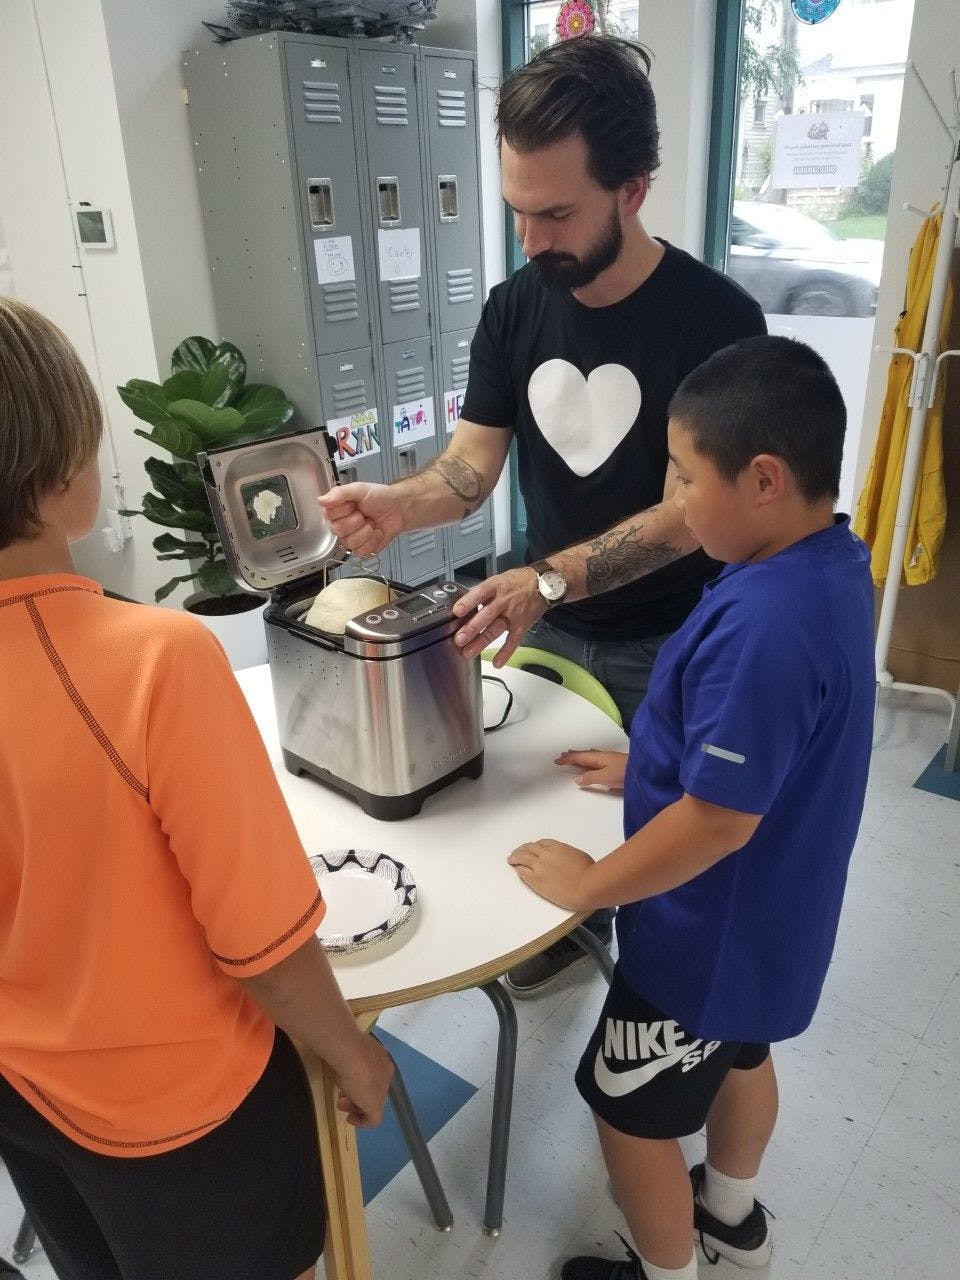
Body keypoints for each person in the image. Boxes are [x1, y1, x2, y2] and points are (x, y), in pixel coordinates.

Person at [318, 35, 766, 997]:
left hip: (673, 641)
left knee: (665, 857)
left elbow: (690, 514)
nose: (530, 240)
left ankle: (657, 1000)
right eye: (518, 212)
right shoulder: (515, 308)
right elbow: (472, 467)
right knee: (537, 827)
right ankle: (568, 933)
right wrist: (400, 503)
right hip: (547, 626)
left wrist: (548, 576)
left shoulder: (718, 324)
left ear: (634, 190)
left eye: (556, 214)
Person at [0, 296, 393, 1280]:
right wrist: (352, 1050)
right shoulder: (153, 660)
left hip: (24, 1094)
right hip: (184, 1114)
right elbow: (259, 938)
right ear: (62, 481)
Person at [506, 336, 875, 1280]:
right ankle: (733, 1219)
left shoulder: (766, 625)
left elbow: (719, 821)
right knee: (740, 1056)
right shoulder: (824, 566)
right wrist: (649, 770)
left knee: (626, 1110)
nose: (671, 504)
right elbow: (763, 756)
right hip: (770, 926)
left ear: (762, 479)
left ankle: (670, 1271)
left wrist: (591, 881)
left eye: (681, 477)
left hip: (703, 935)